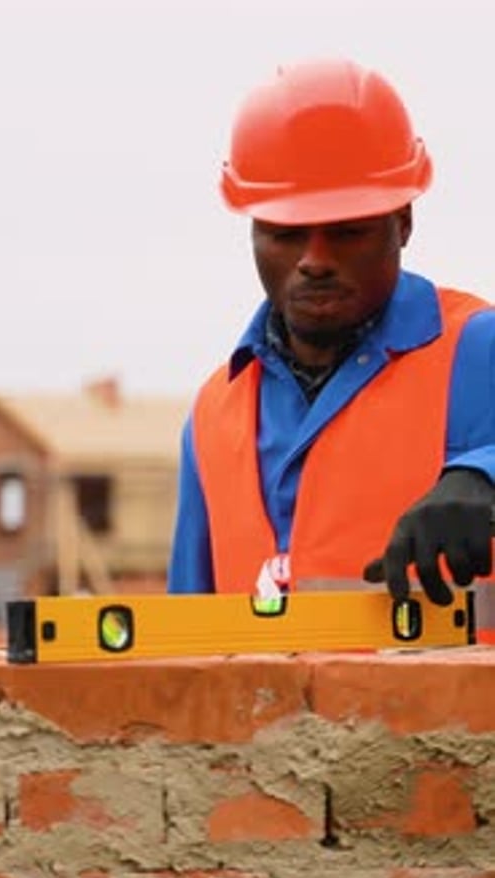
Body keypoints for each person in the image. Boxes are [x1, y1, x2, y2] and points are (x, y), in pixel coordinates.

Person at [168, 57, 495, 606]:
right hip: (269, 698)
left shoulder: (476, 350)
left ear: (404, 223)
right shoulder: (212, 416)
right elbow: (185, 647)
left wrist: (484, 475)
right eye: (286, 233)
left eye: (347, 232)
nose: (314, 260)